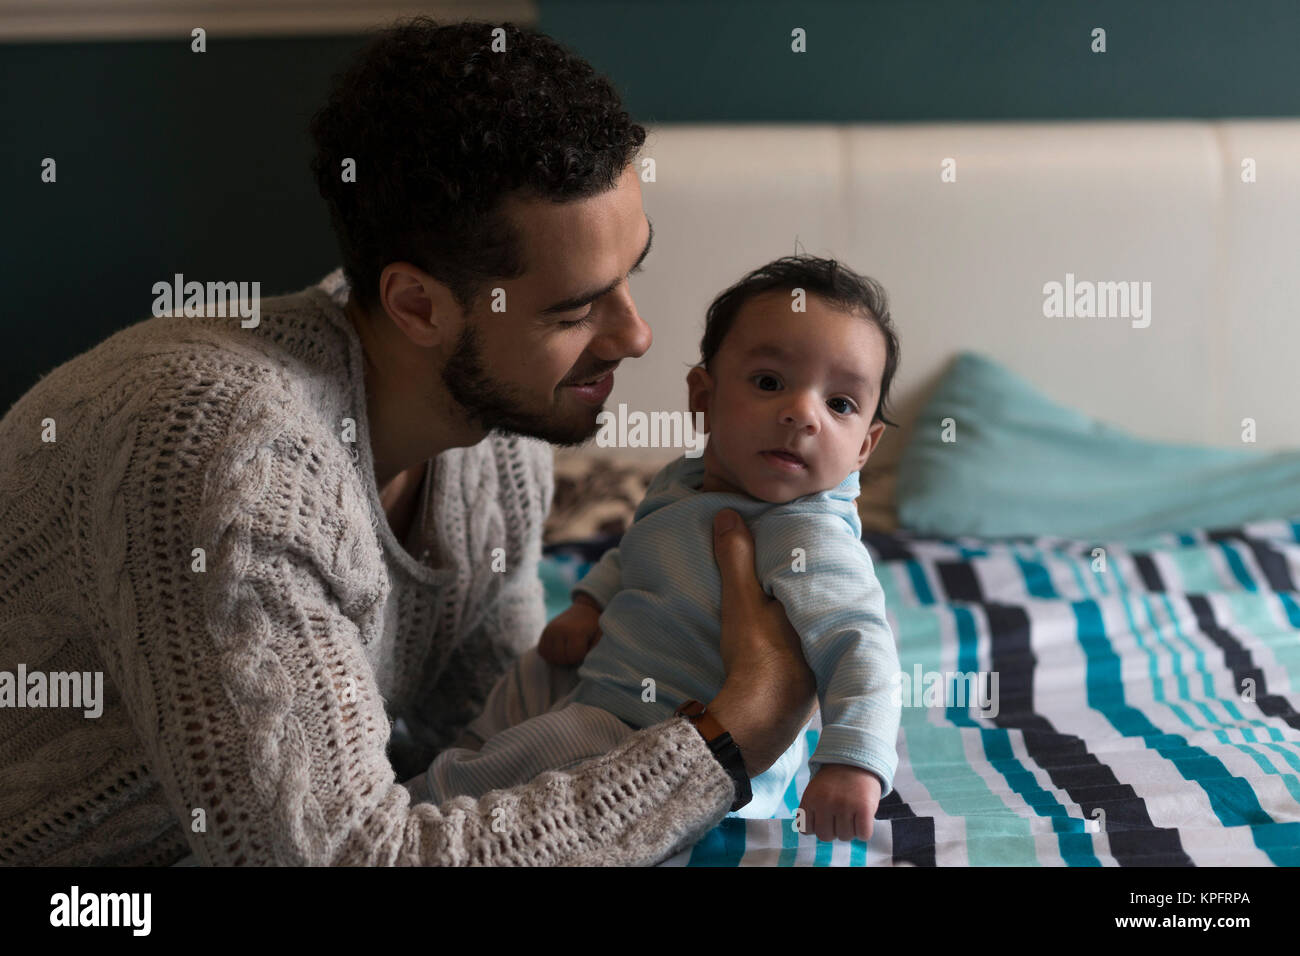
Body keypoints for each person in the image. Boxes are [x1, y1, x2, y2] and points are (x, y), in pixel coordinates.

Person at [0, 18, 816, 866]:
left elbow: (480, 753)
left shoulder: (500, 438)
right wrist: (725, 738)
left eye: (630, 277)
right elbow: (355, 859)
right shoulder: (225, 460)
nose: (636, 336)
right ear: (418, 307)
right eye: (574, 310)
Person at [422, 256, 903, 842]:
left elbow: (862, 646)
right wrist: (588, 605)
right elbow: (637, 553)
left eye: (841, 404)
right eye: (769, 382)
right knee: (537, 669)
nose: (802, 413)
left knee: (558, 741)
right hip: (609, 686)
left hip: (677, 742)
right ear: (703, 396)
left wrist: (853, 763)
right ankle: (473, 747)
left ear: (864, 448)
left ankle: (440, 793)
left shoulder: (809, 533)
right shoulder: (683, 480)